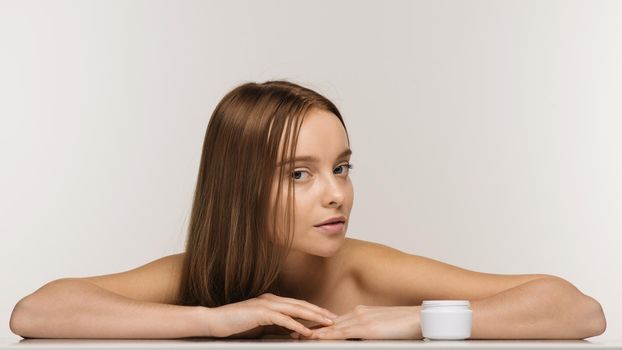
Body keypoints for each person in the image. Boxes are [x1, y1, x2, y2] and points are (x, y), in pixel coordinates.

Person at [9, 80, 606, 340]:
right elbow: (37, 311)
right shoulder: (199, 277)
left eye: (341, 167)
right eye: (300, 173)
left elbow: (577, 310)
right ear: (239, 186)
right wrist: (211, 320)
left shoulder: (362, 270)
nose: (335, 194)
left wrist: (412, 323)